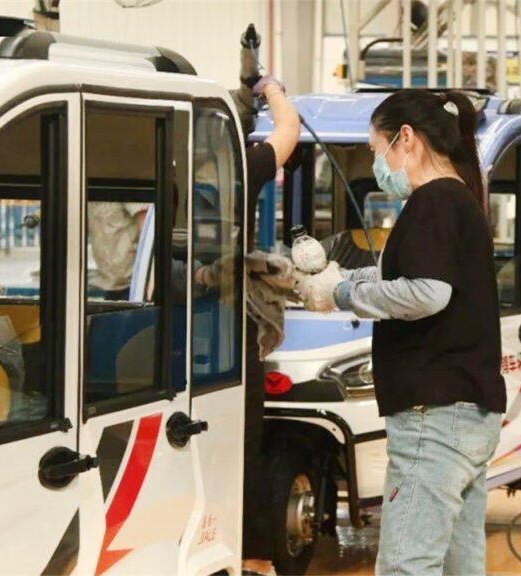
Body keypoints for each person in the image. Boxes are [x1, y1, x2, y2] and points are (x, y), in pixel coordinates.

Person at [302, 90, 506, 575]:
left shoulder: (432, 201)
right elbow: (419, 282)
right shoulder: (460, 199)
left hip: (433, 418)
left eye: (376, 151)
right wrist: (345, 280)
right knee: (459, 565)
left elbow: (426, 294)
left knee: (406, 566)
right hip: (468, 414)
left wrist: (344, 296)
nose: (377, 163)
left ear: (406, 139)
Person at [235, 74, 299, 576]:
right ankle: (254, 558)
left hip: (163, 312)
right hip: (227, 332)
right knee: (243, 449)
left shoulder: (163, 152)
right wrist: (272, 89)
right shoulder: (240, 166)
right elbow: (289, 129)